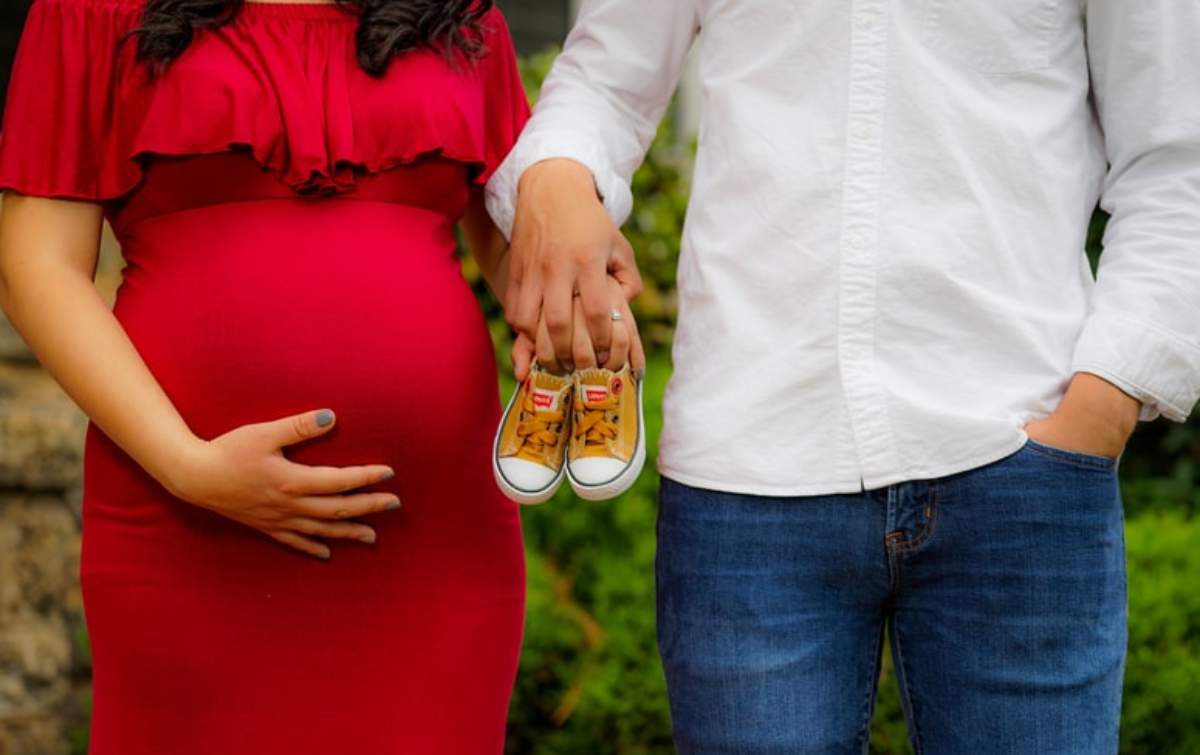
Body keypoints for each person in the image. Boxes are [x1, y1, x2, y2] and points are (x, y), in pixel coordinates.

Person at [487, 1, 1200, 752]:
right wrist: (558, 177)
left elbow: (1177, 160)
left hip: (1024, 463)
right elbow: (603, 82)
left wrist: (1107, 399)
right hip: (747, 466)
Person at [0, 0, 630, 751]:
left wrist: (572, 301)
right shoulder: (90, 10)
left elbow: (510, 241)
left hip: (429, 538)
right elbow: (37, 266)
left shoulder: (461, 15)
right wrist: (187, 466)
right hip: (185, 523)